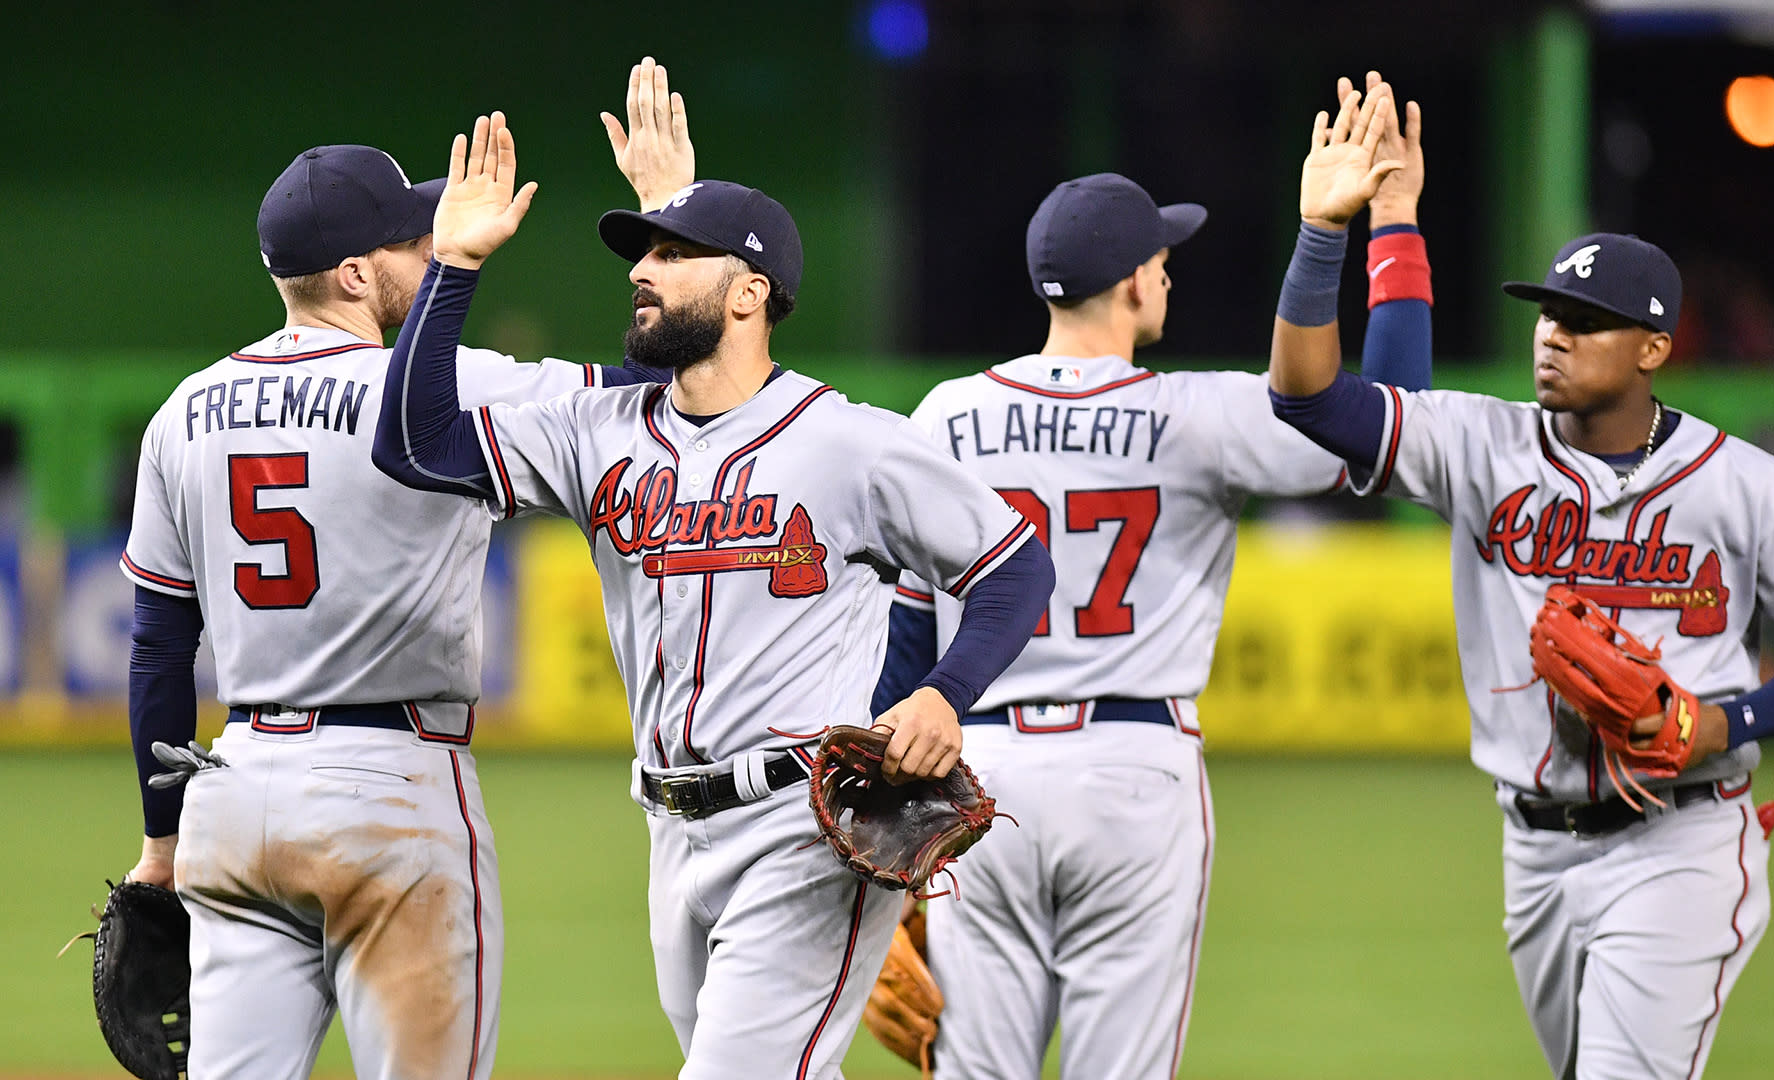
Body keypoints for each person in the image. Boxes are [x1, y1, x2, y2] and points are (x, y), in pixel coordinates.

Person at [370, 101, 1054, 1078]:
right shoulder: (595, 427)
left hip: (803, 828)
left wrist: (947, 692)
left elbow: (1013, 564)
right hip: (668, 830)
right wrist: (455, 268)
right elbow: (414, 444)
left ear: (750, 294)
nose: (642, 270)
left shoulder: (847, 441)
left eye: (673, 253)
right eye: (640, 251)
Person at [1267, 80, 1774, 1079]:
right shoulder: (1487, 446)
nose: (1553, 333)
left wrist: (1727, 723)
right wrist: (1361, 227)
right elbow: (1316, 402)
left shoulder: (1743, 485)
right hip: (1535, 850)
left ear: (1653, 348)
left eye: (1585, 320)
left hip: (1681, 841)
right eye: (1549, 312)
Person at [119, 65, 689, 1075]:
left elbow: (161, 643)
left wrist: (162, 844)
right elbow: (663, 393)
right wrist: (665, 221)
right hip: (394, 787)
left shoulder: (183, 411)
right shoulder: (448, 383)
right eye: (408, 242)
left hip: (235, 792)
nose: (430, 253)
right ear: (351, 273)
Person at [869, 75, 1432, 1079]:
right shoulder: (1194, 414)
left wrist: (886, 832)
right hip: (1133, 771)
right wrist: (1388, 224)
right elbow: (1390, 420)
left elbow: (906, 636)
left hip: (977, 776)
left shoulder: (944, 415)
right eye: (1162, 261)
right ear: (1131, 282)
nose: (1167, 278)